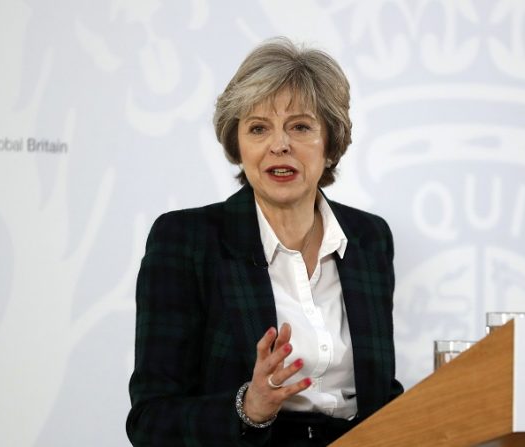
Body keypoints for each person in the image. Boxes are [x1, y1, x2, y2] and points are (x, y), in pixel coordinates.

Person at [126, 37, 404, 446]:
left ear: (331, 144)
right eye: (258, 128)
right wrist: (249, 408)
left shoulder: (369, 239)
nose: (279, 145)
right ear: (237, 145)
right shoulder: (187, 241)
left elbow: (380, 397)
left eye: (301, 126)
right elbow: (151, 420)